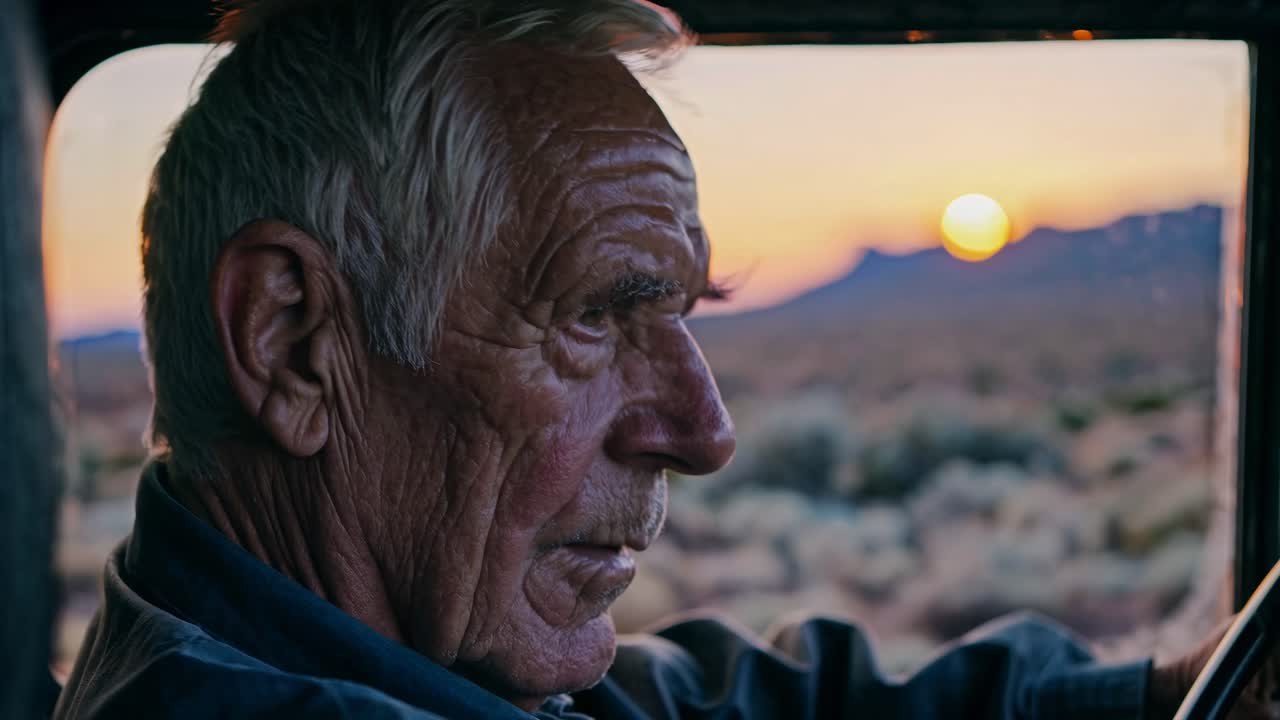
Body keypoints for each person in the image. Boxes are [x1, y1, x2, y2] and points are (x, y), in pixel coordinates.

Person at [51, 0, 1273, 718]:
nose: (703, 427)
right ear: (295, 342)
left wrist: (1176, 688)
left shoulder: (390, 652)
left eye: (684, 311)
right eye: (594, 315)